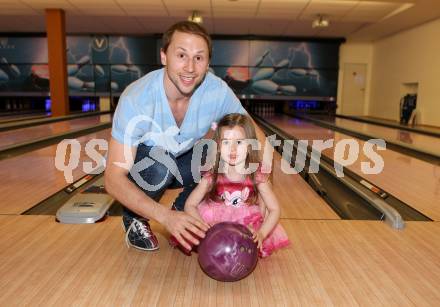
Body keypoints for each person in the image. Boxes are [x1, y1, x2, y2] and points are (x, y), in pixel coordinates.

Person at [105, 21, 260, 252]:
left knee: (220, 149)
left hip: (185, 160)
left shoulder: (216, 90)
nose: (190, 67)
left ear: (208, 62)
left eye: (199, 58)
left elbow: (254, 132)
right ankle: (134, 217)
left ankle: (183, 208)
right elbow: (113, 178)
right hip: (149, 166)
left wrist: (263, 188)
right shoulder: (136, 99)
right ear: (164, 56)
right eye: (181, 55)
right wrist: (164, 217)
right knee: (160, 165)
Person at [182, 113, 290, 257]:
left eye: (239, 142)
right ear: (219, 146)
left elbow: (275, 209)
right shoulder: (212, 175)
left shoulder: (257, 176)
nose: (232, 149)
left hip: (247, 223)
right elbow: (190, 205)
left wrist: (262, 234)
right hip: (215, 221)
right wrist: (203, 226)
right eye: (226, 142)